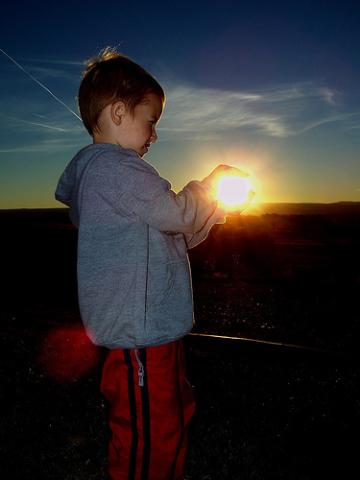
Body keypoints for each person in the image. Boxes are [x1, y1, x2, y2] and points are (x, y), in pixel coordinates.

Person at [55, 47, 245, 480]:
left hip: (152, 328)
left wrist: (211, 210)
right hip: (139, 335)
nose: (154, 134)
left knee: (170, 419)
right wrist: (210, 185)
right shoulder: (114, 169)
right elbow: (176, 214)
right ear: (119, 112)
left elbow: (172, 230)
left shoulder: (115, 177)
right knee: (149, 432)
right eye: (151, 120)